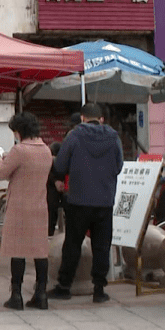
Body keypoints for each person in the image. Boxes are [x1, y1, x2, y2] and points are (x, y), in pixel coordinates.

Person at [49, 103, 123, 304]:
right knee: (102, 245)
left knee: (72, 243)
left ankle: (64, 286)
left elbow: (61, 164)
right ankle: (99, 289)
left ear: (82, 118)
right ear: (101, 119)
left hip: (78, 200)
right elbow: (119, 166)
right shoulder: (113, 137)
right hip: (105, 201)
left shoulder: (74, 136)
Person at [0, 112, 53, 310]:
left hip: (19, 206)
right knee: (40, 251)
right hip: (40, 206)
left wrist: (3, 160)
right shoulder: (45, 150)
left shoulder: (19, 151)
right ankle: (41, 294)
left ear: (19, 131)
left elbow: (1, 174)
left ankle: (16, 295)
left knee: (17, 250)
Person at [46, 141, 65, 237]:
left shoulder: (64, 161)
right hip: (52, 189)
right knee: (52, 207)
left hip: (62, 188)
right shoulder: (48, 162)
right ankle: (50, 232)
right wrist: (56, 181)